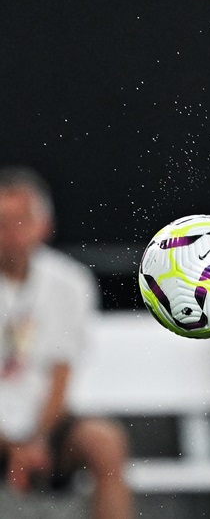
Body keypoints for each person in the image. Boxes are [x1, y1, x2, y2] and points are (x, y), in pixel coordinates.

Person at [0, 167, 133, 519]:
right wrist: (11, 445)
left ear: (44, 225)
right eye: (2, 221)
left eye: (20, 220)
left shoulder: (69, 283)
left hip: (48, 424)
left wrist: (36, 440)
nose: (11, 232)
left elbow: (62, 372)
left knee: (105, 442)